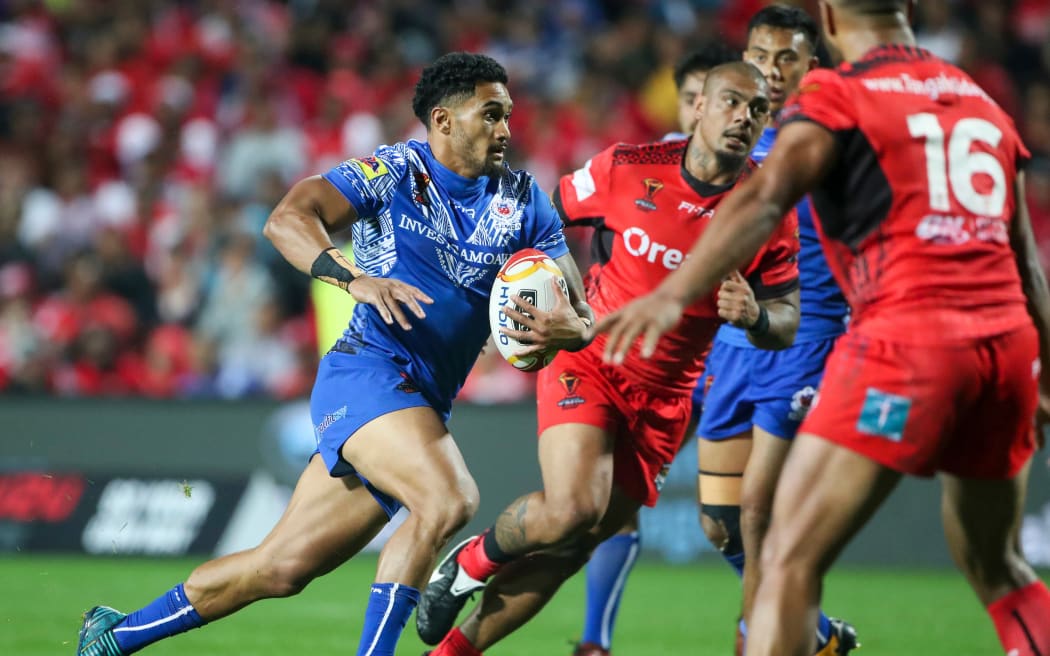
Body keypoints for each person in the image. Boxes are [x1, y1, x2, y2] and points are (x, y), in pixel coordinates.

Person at [73, 52, 593, 656]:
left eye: (508, 114)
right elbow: (287, 219)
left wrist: (570, 332)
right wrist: (351, 278)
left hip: (423, 401)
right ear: (444, 121)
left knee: (279, 568)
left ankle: (114, 635)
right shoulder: (396, 172)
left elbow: (580, 314)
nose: (506, 129)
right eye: (491, 114)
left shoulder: (525, 198)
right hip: (368, 371)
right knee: (449, 499)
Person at [594, 1, 1050, 655]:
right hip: (1006, 347)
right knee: (1000, 568)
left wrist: (674, 294)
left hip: (904, 341)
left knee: (783, 555)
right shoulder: (978, 99)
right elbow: (1027, 261)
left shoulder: (843, 95)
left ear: (829, 22)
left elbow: (763, 198)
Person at [416, 61, 802, 656]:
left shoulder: (767, 211)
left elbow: (786, 322)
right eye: (730, 102)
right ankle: (472, 560)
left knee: (574, 546)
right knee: (574, 508)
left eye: (757, 111)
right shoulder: (628, 169)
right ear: (698, 107)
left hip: (668, 398)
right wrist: (517, 300)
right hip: (588, 355)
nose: (743, 118)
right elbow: (539, 214)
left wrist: (754, 315)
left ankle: (450, 653)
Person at [691, 6, 855, 655]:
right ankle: (815, 635)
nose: (773, 68)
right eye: (762, 53)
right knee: (721, 524)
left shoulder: (829, 135)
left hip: (806, 340)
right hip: (732, 344)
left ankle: (756, 642)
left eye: (788, 57)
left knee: (760, 516)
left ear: (811, 65)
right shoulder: (732, 131)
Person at [571, 43, 736, 656]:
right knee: (607, 506)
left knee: (730, 516)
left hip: (721, 367)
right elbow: (589, 232)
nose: (699, 111)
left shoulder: (756, 179)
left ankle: (798, 628)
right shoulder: (646, 166)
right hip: (629, 357)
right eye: (690, 98)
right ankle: (594, 639)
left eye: (710, 100)